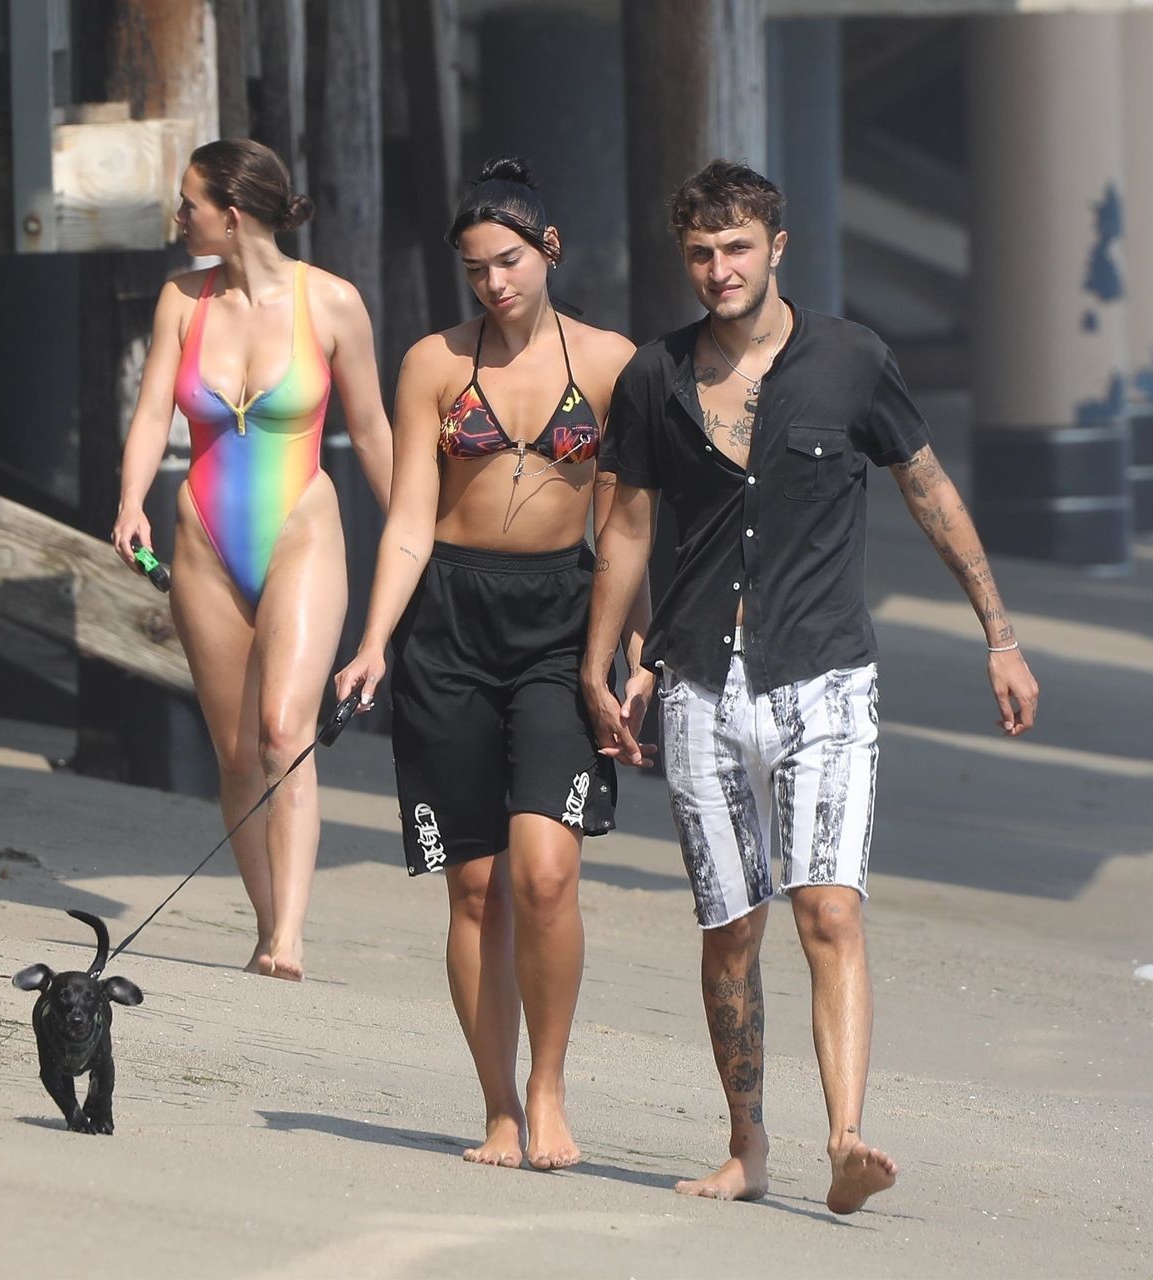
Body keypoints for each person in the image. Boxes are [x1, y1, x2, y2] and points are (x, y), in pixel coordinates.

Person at [583, 160, 1040, 1211]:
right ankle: (747, 1146)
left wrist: (1000, 634)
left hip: (827, 678)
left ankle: (846, 1137)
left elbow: (928, 488)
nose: (720, 269)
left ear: (777, 247)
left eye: (737, 248)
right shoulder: (654, 376)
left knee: (829, 909)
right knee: (730, 928)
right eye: (701, 253)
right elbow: (629, 528)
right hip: (700, 686)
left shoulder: (852, 359)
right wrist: (600, 662)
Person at [333, 158, 651, 1170]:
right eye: (475, 269)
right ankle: (500, 1108)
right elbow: (408, 522)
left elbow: (627, 524)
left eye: (508, 261)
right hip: (450, 624)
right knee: (475, 887)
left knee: (546, 873)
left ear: (548, 250)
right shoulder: (433, 362)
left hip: (562, 622)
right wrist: (372, 642)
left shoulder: (611, 362)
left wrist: (635, 650)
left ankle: (550, 1090)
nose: (493, 283)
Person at [112, 139, 392, 982]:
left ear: (231, 216)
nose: (178, 217)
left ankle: (291, 938)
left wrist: (419, 539)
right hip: (202, 536)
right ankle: (266, 922)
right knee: (236, 754)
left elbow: (371, 430)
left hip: (302, 529)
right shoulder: (181, 298)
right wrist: (130, 502)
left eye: (189, 204)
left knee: (282, 732)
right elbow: (151, 411)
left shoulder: (331, 302)